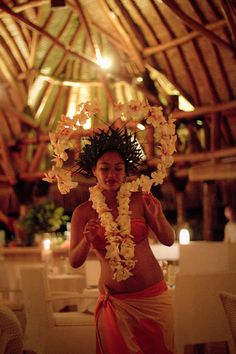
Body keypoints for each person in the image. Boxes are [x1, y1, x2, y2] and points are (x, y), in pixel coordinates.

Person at [69, 127, 176, 354]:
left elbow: (168, 240)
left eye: (118, 168)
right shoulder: (83, 212)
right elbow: (74, 261)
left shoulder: (140, 200)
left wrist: (159, 217)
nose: (112, 175)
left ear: (126, 171)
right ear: (93, 171)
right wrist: (86, 241)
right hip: (116, 305)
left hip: (153, 298)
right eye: (104, 168)